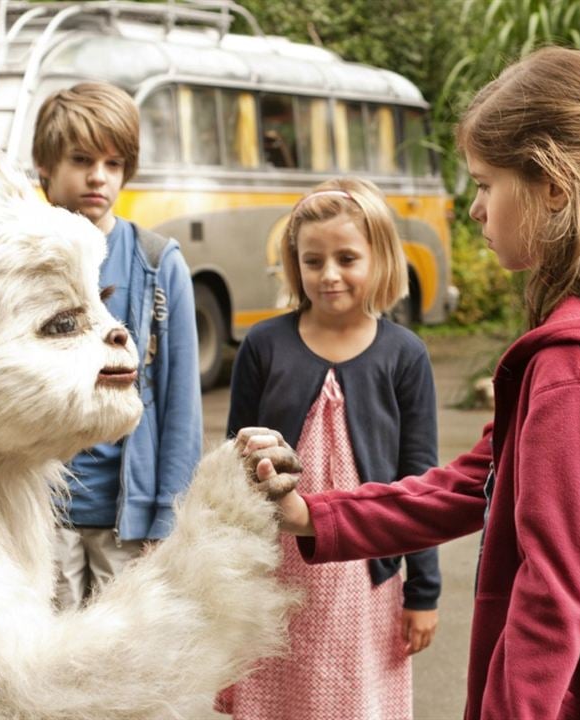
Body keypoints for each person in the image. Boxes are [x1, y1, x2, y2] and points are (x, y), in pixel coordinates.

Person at [241, 47, 580, 720]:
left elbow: (552, 594)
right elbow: (472, 482)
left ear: (555, 186)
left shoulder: (577, 372)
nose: (475, 208)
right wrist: (313, 514)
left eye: (485, 183)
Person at [220, 177, 441, 720]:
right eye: (312, 260)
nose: (330, 274)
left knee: (352, 700)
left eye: (347, 258)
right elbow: (232, 464)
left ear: (381, 258)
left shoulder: (405, 354)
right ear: (295, 264)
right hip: (275, 573)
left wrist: (424, 592)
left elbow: (421, 481)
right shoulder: (263, 345)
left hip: (365, 578)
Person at [32, 81, 203, 610]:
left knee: (117, 669)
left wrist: (169, 516)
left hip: (127, 518)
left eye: (113, 162)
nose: (97, 176)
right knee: (42, 666)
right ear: (45, 168)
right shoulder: (20, 260)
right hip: (37, 513)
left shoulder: (157, 262)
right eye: (81, 159)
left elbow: (180, 403)